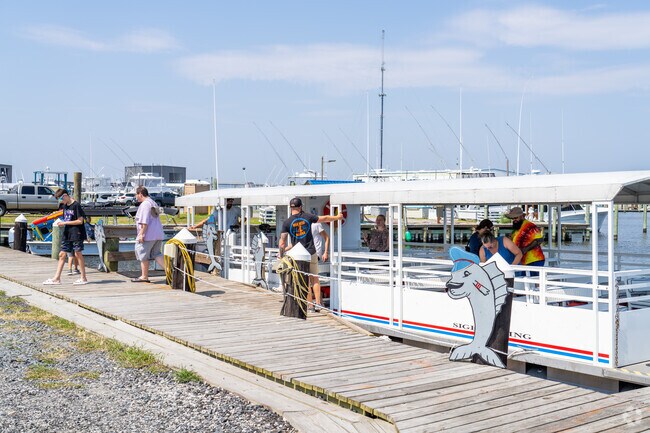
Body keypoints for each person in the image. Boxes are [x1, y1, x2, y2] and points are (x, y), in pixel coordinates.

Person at [278, 197, 343, 311]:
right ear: (300, 207)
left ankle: (310, 305)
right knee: (315, 279)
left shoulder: (287, 222)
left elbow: (282, 242)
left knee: (305, 280)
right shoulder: (308, 217)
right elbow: (325, 218)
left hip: (298, 254)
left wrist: (281, 254)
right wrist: (337, 217)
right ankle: (318, 303)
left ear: (291, 207)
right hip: (311, 252)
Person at [43, 189, 88, 285]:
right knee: (62, 254)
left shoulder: (76, 205)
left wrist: (65, 222)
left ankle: (83, 278)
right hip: (67, 233)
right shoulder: (64, 206)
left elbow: (80, 221)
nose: (60, 202)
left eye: (60, 199)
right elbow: (66, 218)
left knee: (77, 253)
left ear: (65, 195)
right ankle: (57, 278)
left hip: (77, 233)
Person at [132, 186, 165, 283]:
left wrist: (141, 234)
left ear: (140, 194)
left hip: (149, 235)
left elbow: (144, 221)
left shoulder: (145, 204)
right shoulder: (153, 202)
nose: (136, 197)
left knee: (142, 254)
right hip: (157, 233)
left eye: (136, 194)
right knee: (156, 254)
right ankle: (171, 271)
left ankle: (144, 276)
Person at [505, 206, 545, 276]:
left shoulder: (530, 226)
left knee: (537, 282)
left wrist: (524, 250)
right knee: (525, 282)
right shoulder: (516, 229)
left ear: (522, 216)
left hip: (534, 259)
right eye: (513, 218)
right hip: (522, 261)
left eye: (516, 217)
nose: (514, 220)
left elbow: (539, 240)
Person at [308, 222, 329, 312]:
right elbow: (326, 237)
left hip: (312, 254)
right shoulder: (312, 224)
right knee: (313, 279)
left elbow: (326, 237)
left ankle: (312, 304)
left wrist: (325, 252)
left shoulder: (316, 224)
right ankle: (316, 303)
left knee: (310, 279)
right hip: (310, 254)